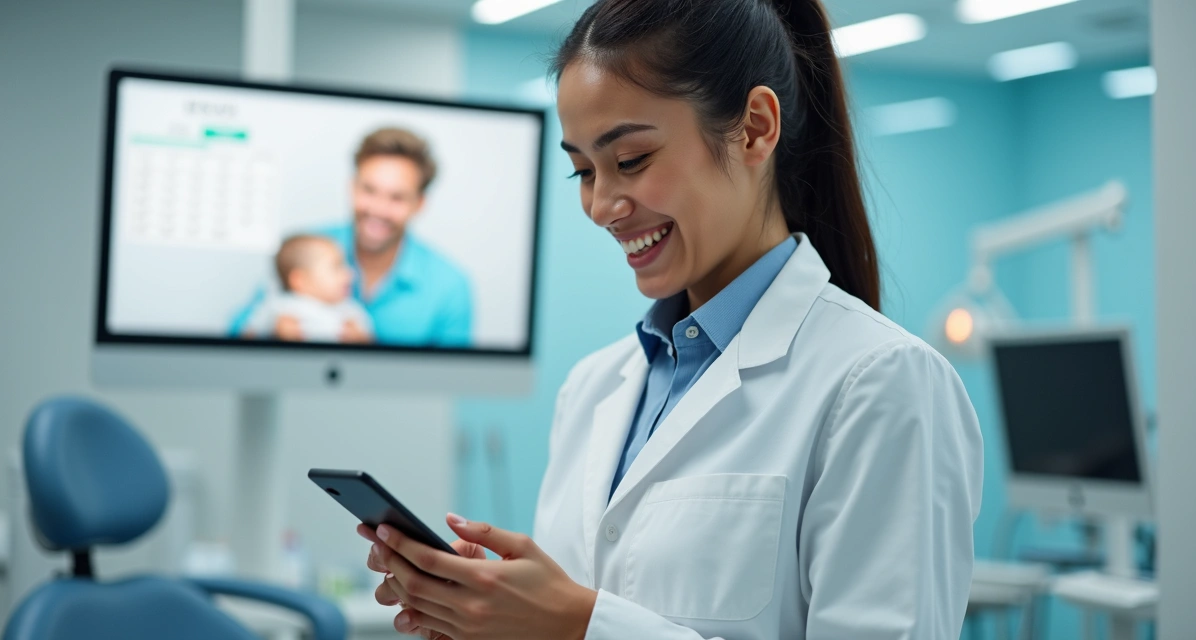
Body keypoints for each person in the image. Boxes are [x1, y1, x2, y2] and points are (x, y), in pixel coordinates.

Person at [358, 0, 984, 638]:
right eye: (583, 171)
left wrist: (576, 624)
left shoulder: (883, 384)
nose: (602, 205)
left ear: (754, 129)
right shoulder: (591, 388)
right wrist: (491, 621)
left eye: (630, 160)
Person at [232, 127, 474, 347]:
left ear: (419, 204)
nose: (378, 209)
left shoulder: (450, 286)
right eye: (369, 190)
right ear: (352, 187)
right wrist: (274, 332)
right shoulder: (303, 250)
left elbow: (448, 376)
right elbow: (235, 337)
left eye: (397, 197)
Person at [241, 234, 373, 343]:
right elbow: (247, 339)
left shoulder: (350, 311)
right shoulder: (280, 307)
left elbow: (371, 347)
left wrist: (359, 338)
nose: (349, 274)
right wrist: (277, 330)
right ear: (300, 280)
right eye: (337, 267)